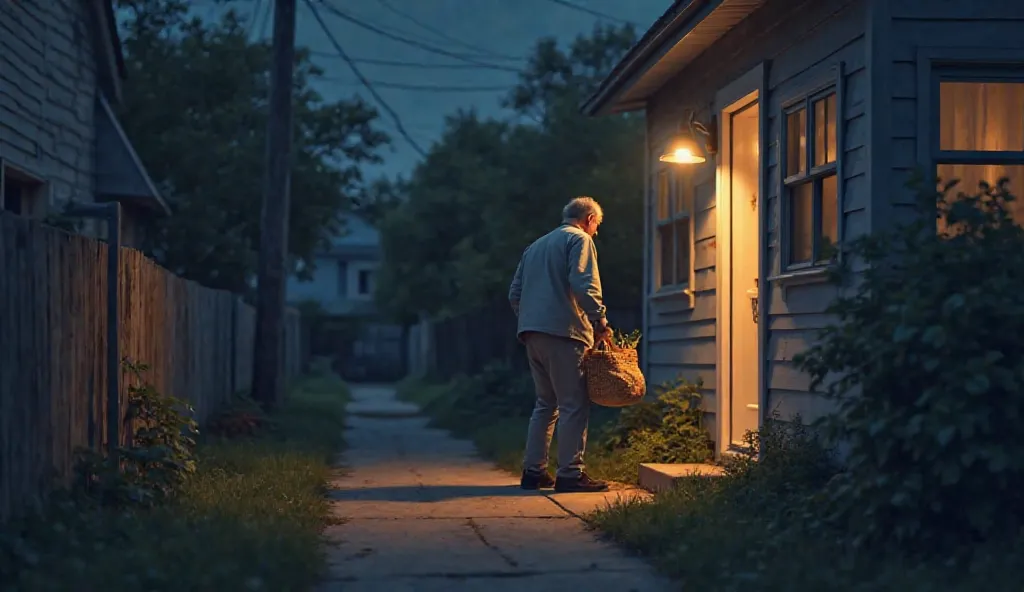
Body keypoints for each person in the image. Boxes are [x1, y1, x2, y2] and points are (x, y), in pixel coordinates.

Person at [508, 196, 612, 493]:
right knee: (573, 404)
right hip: (565, 334)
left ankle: (533, 471)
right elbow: (584, 283)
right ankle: (570, 474)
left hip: (532, 333)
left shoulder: (535, 247)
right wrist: (599, 320)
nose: (596, 233)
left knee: (545, 403)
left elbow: (514, 293)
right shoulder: (579, 240)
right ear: (590, 219)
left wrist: (533, 317)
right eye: (597, 226)